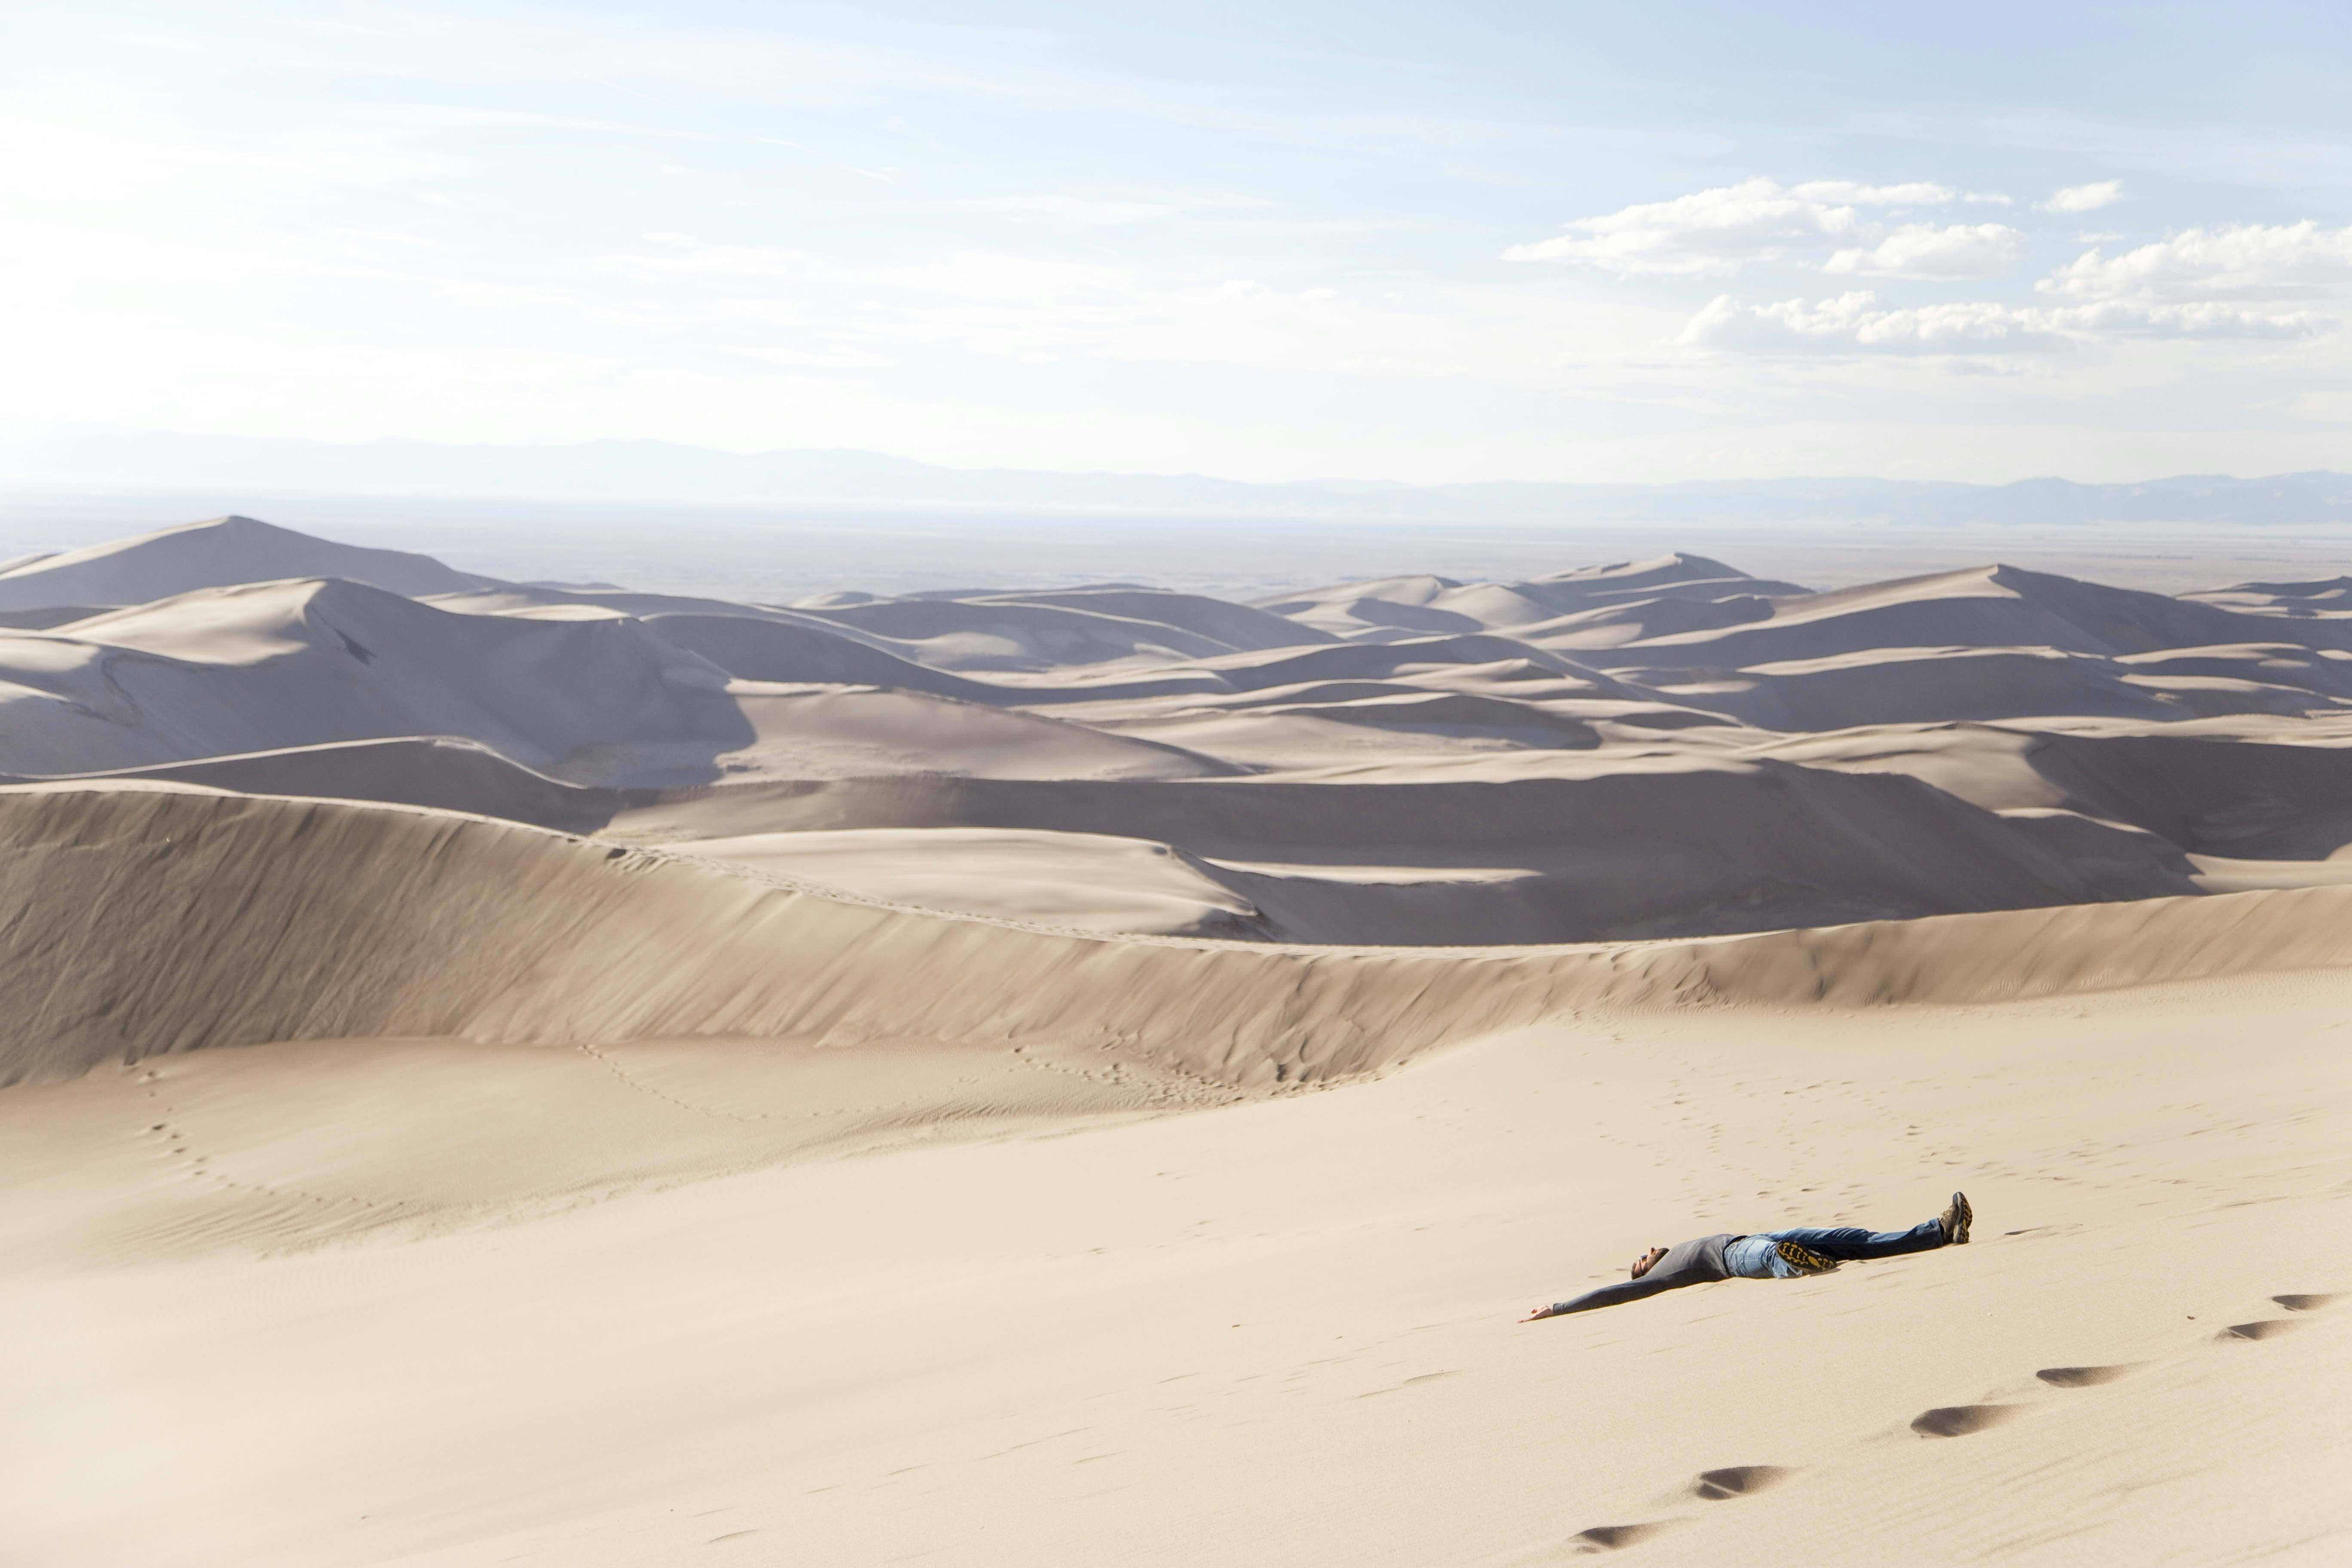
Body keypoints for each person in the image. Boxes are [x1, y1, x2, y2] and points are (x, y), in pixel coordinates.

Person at [1521, 1192, 1971, 1321]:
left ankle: (1939, 1232)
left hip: (1755, 1234)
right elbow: (1613, 1294)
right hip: (1735, 1257)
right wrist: (1559, 1307)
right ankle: (1794, 1264)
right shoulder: (1657, 1278)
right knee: (1771, 1253)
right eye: (1641, 1259)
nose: (1645, 1254)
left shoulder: (1676, 1250)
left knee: (1848, 1237)